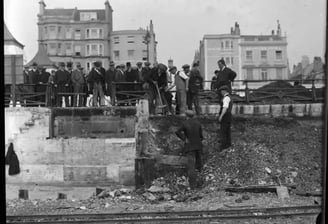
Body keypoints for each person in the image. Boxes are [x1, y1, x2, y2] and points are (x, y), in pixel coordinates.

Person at [175, 110, 204, 189]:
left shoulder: (185, 123)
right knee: (199, 165)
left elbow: (177, 131)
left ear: (186, 116)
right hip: (198, 147)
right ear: (193, 116)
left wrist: (184, 139)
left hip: (190, 147)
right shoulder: (198, 123)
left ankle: (193, 186)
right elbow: (201, 136)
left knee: (191, 167)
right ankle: (201, 184)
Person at [217, 85, 233, 150]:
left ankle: (223, 145)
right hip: (229, 115)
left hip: (225, 115)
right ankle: (228, 143)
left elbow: (225, 108)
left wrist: (221, 116)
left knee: (223, 131)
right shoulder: (229, 97)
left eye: (221, 91)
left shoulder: (226, 98)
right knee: (227, 130)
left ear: (224, 91)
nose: (220, 92)